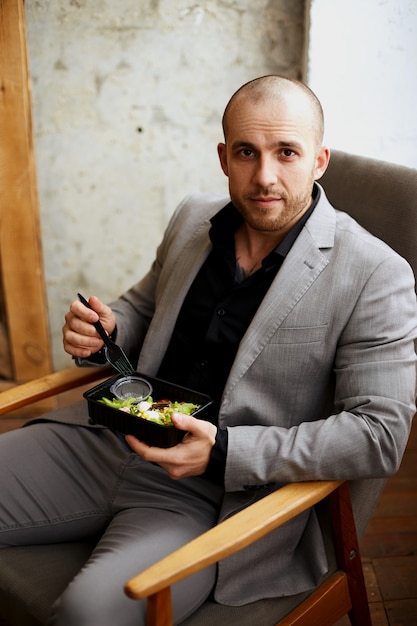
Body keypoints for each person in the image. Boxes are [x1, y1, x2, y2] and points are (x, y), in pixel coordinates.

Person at [0, 75, 416, 626]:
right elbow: (140, 310)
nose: (264, 176)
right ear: (224, 157)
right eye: (247, 152)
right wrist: (105, 328)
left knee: (87, 617)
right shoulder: (193, 218)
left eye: (286, 152)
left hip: (211, 494)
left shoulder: (376, 273)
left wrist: (223, 452)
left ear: (319, 160)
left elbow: (379, 434)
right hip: (104, 439)